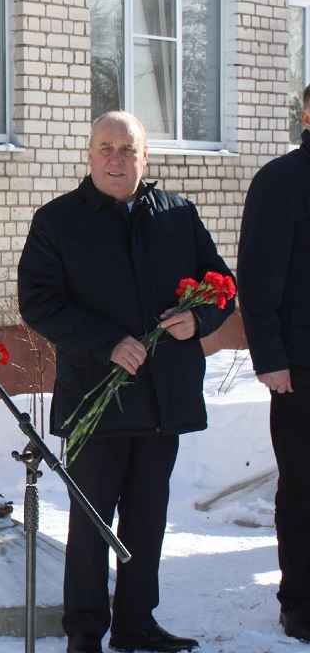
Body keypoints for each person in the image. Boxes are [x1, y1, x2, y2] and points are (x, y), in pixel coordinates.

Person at [17, 111, 234, 653]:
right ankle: (85, 630)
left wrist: (198, 320)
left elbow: (222, 281)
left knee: (147, 519)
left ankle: (137, 623)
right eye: (105, 148)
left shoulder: (178, 214)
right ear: (89, 156)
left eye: (127, 149)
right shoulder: (57, 220)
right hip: (98, 393)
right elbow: (39, 302)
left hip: (163, 395)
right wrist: (105, 341)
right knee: (93, 521)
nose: (116, 159)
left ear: (144, 157)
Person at [237, 84, 310, 643]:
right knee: (303, 489)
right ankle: (301, 603)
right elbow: (259, 282)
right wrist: (271, 358)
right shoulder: (281, 181)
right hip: (300, 370)